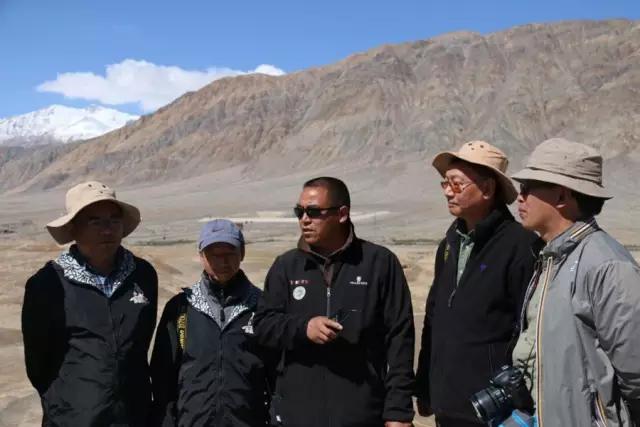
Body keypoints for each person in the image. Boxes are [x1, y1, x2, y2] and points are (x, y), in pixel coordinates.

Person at [252, 177, 415, 427]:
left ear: (342, 214)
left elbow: (400, 339)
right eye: (299, 211)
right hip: (298, 416)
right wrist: (304, 328)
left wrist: (398, 410)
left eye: (313, 212)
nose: (304, 219)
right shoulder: (286, 266)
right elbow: (263, 325)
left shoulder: (379, 263)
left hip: (363, 414)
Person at [510, 138, 640, 426]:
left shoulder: (607, 266)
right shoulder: (552, 258)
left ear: (561, 195)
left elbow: (636, 372)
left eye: (528, 187)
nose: (520, 197)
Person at [415, 141, 540, 426]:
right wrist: (424, 386)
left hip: (495, 410)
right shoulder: (449, 245)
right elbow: (433, 318)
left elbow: (529, 330)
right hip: (447, 404)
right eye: (445, 183)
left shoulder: (521, 246)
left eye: (456, 184)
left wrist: (521, 400)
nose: (447, 191)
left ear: (487, 189)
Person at [21, 181, 158, 426]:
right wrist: (69, 402)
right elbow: (38, 364)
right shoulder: (47, 284)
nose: (107, 230)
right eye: (95, 222)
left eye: (114, 220)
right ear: (73, 228)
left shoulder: (143, 275)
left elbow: (141, 341)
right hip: (72, 418)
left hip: (134, 416)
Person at [150, 219, 272, 427]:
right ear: (201, 256)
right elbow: (162, 374)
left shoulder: (262, 306)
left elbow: (276, 373)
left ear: (242, 253)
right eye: (214, 255)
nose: (223, 262)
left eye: (230, 253)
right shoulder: (181, 308)